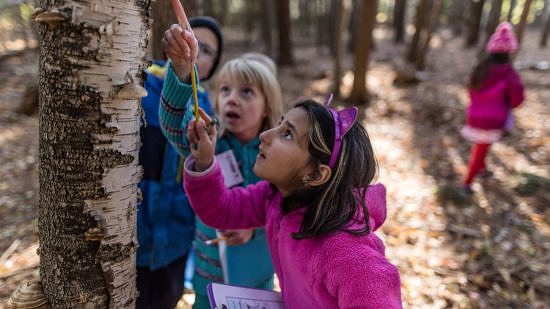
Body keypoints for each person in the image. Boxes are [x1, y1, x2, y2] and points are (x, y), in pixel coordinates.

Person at [183, 97, 402, 308]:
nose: (265, 135)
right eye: (279, 125)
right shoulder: (276, 198)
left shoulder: (346, 251)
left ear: (316, 175)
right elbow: (223, 209)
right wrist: (204, 162)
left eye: (287, 134)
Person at [160, 24, 283, 308]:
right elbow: (170, 122)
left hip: (258, 286)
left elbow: (291, 209)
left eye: (247, 92)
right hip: (208, 285)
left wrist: (254, 228)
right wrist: (180, 70)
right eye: (225, 89)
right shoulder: (209, 143)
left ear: (267, 106)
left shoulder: (280, 153)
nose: (232, 98)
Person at [136, 16, 223, 309]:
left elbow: (186, 132)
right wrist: (180, 74)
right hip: (129, 235)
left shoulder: (209, 109)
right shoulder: (138, 83)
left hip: (175, 240)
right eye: (192, 39)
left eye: (207, 51)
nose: (195, 50)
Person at [461, 22, 525, 194]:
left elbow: (471, 90)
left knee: (483, 146)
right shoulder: (509, 74)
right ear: (509, 52)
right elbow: (518, 98)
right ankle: (467, 183)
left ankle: (482, 169)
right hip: (493, 119)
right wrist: (505, 104)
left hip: (475, 115)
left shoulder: (480, 69)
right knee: (480, 149)